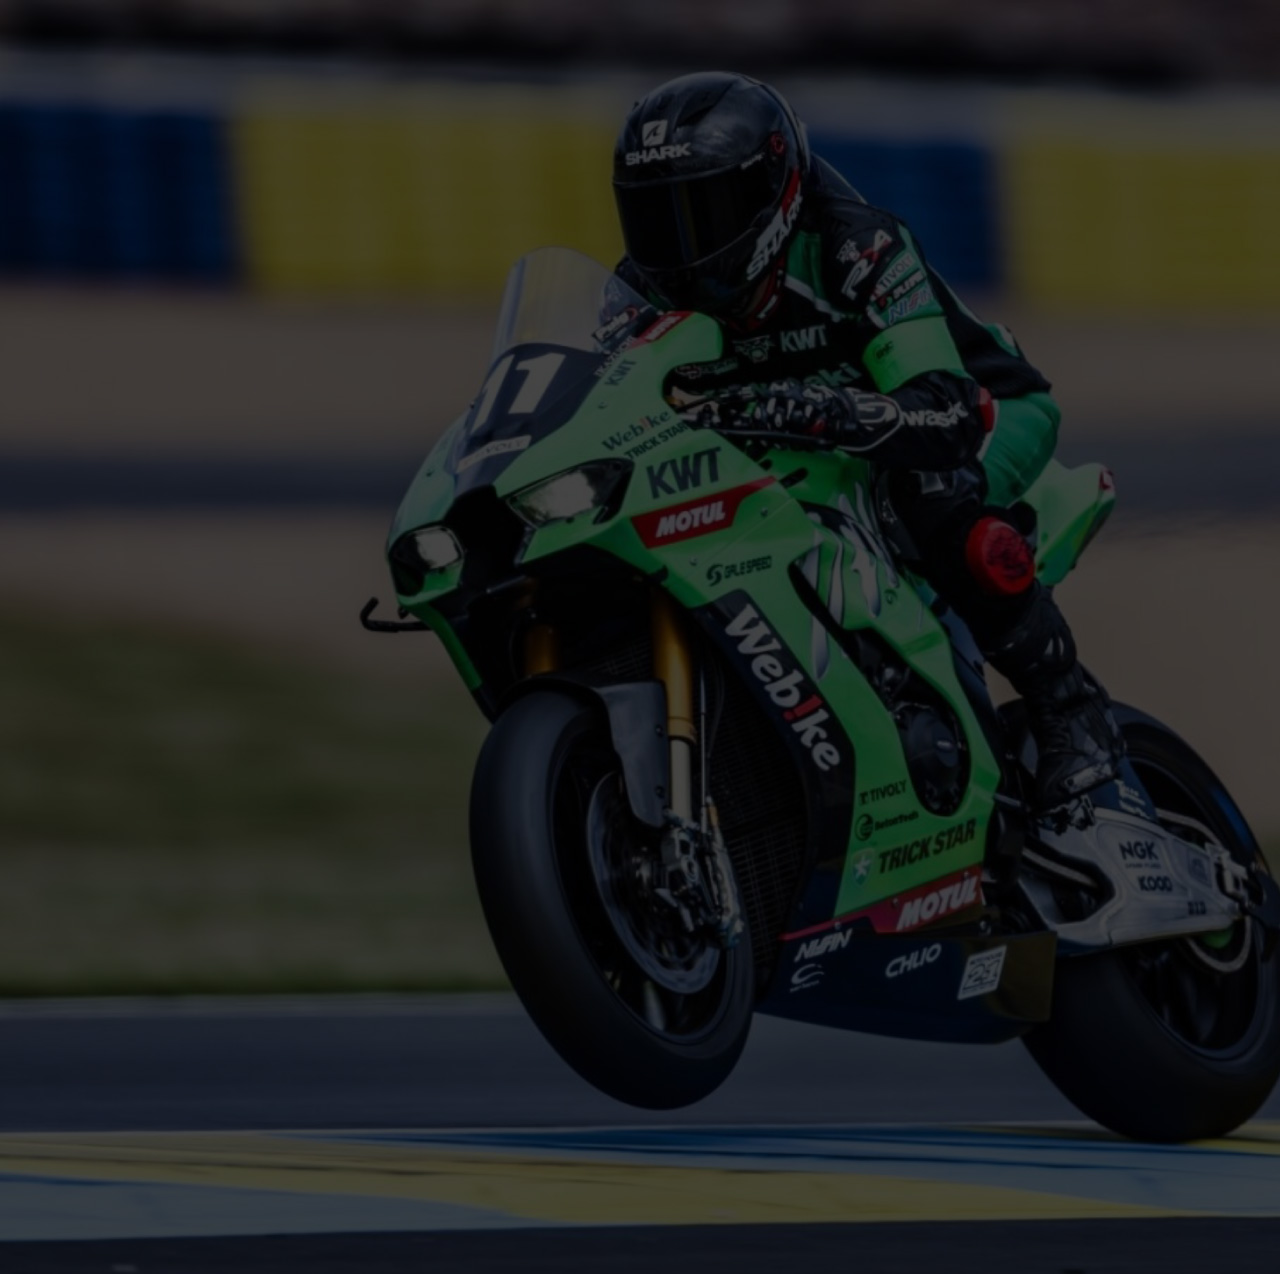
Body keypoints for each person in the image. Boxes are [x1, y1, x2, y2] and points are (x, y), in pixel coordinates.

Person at [610, 70, 1124, 810]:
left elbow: (945, 413)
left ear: (772, 193)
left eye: (705, 211)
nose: (683, 245)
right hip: (821, 447)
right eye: (658, 218)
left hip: (987, 411)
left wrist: (812, 410)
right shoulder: (638, 293)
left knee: (922, 490)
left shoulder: (854, 244)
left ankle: (1071, 709)